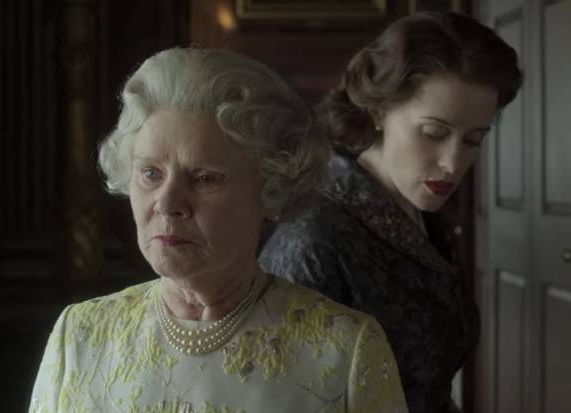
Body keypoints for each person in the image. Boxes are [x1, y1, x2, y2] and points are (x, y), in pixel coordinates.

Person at [29, 47, 407, 413]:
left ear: (271, 189)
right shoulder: (79, 335)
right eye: (150, 174)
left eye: (204, 178)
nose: (167, 202)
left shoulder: (344, 350)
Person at [260, 11, 523, 413]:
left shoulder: (421, 210)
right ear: (379, 112)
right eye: (434, 133)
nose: (453, 164)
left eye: (474, 139)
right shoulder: (313, 239)